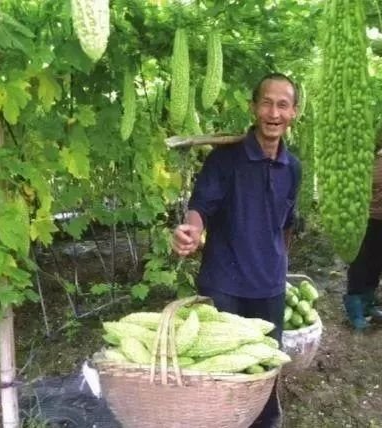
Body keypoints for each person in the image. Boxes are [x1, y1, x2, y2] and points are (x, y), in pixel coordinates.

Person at [171, 72, 300, 428]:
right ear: (253, 107)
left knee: (264, 370)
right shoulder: (224, 160)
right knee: (221, 374)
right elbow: (200, 208)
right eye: (266, 102)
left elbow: (286, 223)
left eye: (282, 104)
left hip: (269, 288)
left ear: (294, 113)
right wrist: (190, 232)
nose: (273, 112)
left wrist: (277, 264)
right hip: (224, 285)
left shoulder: (294, 167)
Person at [343, 132, 382, 330]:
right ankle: (355, 312)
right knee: (359, 263)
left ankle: (368, 304)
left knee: (375, 262)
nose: (380, 140)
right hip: (359, 220)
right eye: (376, 136)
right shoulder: (354, 159)